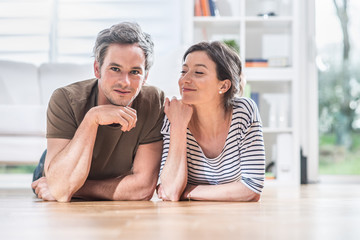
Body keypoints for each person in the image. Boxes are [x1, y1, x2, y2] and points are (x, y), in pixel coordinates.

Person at [31, 22, 165, 202]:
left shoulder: (154, 101)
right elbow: (61, 189)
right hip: (61, 159)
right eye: (115, 69)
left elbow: (141, 190)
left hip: (100, 177)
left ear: (146, 76)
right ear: (97, 69)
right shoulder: (65, 99)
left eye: (134, 72)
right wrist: (92, 119)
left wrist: (72, 188)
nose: (125, 82)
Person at [157, 41, 265, 202]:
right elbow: (169, 191)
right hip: (185, 219)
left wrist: (188, 192)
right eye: (183, 71)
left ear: (224, 85)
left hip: (235, 218)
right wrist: (178, 127)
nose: (184, 80)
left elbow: (252, 189)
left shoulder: (243, 112)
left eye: (198, 73)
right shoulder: (174, 114)